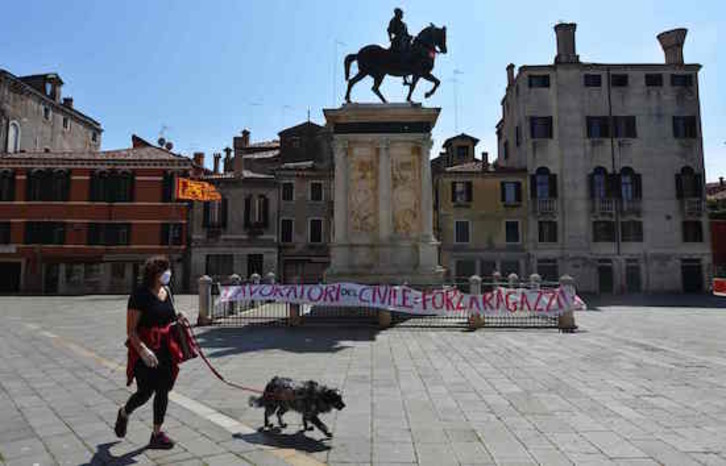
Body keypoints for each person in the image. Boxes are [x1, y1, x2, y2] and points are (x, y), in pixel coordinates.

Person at [114, 255, 183, 450]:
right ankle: (125, 412)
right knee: (145, 392)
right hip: (145, 349)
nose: (169, 274)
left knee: (163, 390)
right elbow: (131, 330)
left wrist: (179, 317)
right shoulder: (139, 295)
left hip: (166, 350)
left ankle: (156, 434)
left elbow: (168, 317)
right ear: (155, 273)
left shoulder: (167, 291)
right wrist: (143, 351)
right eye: (165, 270)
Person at [388, 8, 413, 85]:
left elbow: (406, 33)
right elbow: (389, 30)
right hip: (398, 41)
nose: (402, 15)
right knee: (402, 53)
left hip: (405, 41)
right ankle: (404, 75)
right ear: (397, 14)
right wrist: (390, 38)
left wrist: (410, 37)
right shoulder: (393, 21)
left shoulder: (404, 24)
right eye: (401, 14)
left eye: (402, 14)